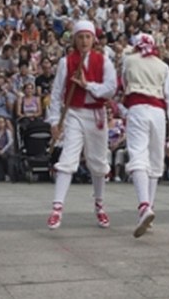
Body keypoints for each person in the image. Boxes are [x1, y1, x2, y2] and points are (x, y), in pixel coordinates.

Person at [46, 20, 117, 230]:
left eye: (87, 37)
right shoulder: (66, 62)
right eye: (80, 37)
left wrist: (88, 85)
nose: (84, 41)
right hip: (74, 114)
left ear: (93, 39)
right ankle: (57, 208)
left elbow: (110, 89)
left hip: (96, 115)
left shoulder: (103, 61)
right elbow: (57, 93)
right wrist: (53, 121)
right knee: (68, 158)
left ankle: (100, 205)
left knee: (98, 163)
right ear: (75, 40)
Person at [121, 34, 169, 237]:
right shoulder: (162, 66)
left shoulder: (128, 60)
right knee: (155, 160)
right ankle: (149, 207)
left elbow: (123, 85)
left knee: (138, 155)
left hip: (137, 109)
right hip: (158, 113)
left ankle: (144, 206)